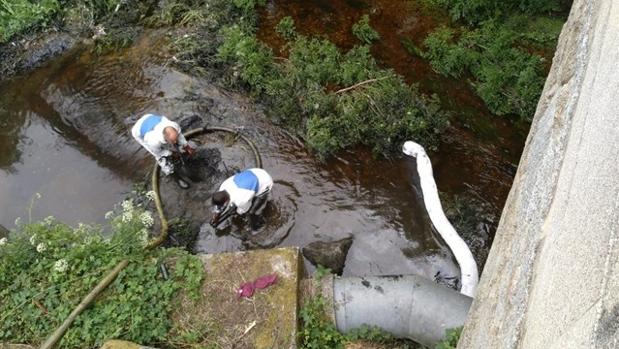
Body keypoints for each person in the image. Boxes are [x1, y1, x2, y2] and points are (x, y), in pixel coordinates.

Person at [131, 113, 195, 189]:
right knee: (162, 160)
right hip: (138, 130)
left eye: (175, 139)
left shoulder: (174, 126)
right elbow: (158, 153)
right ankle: (176, 178)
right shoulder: (153, 141)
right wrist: (171, 153)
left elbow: (180, 136)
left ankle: (180, 159)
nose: (175, 142)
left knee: (177, 144)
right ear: (165, 137)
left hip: (149, 118)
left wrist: (186, 146)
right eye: (172, 141)